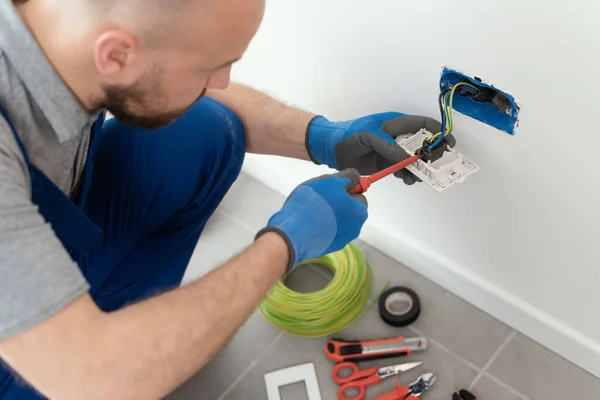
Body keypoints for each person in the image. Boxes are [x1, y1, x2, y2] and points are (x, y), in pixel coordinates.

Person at [0, 0, 443, 398]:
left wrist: (324, 138)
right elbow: (88, 380)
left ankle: (143, 338)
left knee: (201, 132)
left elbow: (188, 90)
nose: (223, 80)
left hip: (42, 243)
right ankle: (133, 357)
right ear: (116, 55)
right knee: (104, 380)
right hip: (28, 361)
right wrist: (286, 242)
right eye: (208, 67)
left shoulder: (57, 31)